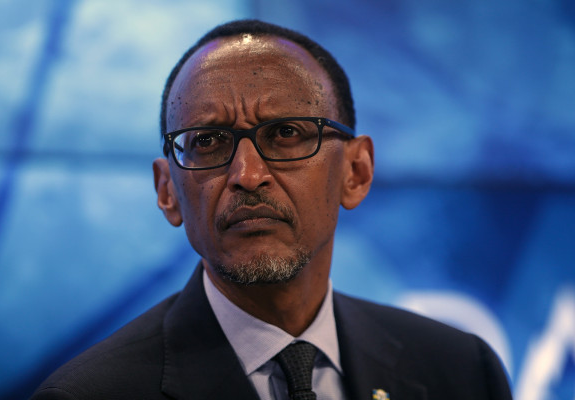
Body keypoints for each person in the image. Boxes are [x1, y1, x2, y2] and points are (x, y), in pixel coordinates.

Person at [31, 19, 513, 400]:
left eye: (286, 134)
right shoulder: (87, 394)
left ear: (357, 172)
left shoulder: (462, 371)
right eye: (209, 141)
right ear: (168, 191)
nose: (247, 173)